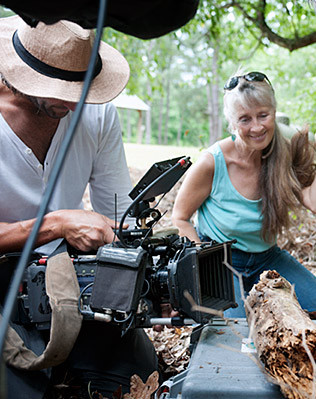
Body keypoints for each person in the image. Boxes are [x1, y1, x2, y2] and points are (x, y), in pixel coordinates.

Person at [0, 16, 157, 398]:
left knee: (133, 371)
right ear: (23, 76)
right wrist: (54, 225)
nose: (75, 103)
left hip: (66, 276)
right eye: (60, 89)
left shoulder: (96, 112)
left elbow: (118, 212)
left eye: (82, 88)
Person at [172, 71, 316, 318]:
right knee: (234, 336)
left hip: (266, 258)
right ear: (231, 122)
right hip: (220, 261)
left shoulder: (285, 147)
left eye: (263, 115)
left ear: (274, 112)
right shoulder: (212, 163)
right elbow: (180, 218)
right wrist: (202, 274)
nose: (257, 127)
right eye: (245, 119)